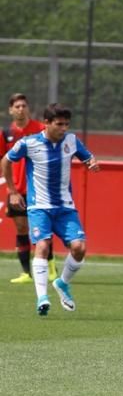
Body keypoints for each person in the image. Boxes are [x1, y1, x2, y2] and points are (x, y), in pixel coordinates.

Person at [1, 103, 99, 315]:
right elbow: (6, 161)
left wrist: (92, 163)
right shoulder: (29, 143)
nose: (64, 128)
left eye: (66, 124)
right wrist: (13, 191)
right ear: (46, 124)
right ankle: (42, 298)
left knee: (80, 248)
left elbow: (87, 157)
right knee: (42, 247)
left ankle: (62, 283)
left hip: (65, 207)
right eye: (59, 124)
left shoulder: (71, 141)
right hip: (39, 207)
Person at [2, 93, 56, 284]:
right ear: (10, 110)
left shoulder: (41, 129)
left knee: (42, 228)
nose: (20, 109)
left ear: (28, 108)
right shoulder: (6, 134)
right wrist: (12, 190)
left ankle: (51, 269)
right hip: (17, 190)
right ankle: (26, 273)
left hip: (39, 189)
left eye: (23, 105)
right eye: (16, 106)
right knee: (21, 228)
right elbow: (4, 162)